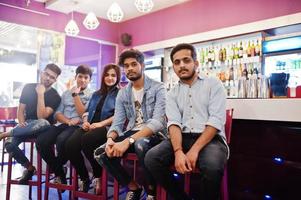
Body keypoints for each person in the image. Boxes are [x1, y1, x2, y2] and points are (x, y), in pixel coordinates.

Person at [145, 43, 228, 200]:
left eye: (186, 60)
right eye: (177, 62)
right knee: (151, 158)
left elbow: (216, 120)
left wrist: (194, 150)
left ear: (195, 63)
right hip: (182, 138)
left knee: (211, 167)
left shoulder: (214, 84)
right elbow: (174, 123)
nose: (181, 65)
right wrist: (178, 151)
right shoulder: (172, 93)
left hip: (210, 139)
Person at [97, 49, 166, 200]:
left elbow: (158, 122)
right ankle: (134, 187)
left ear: (142, 65)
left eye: (134, 64)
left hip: (154, 135)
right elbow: (118, 122)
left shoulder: (158, 87)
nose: (130, 68)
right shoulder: (123, 93)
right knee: (102, 152)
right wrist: (110, 139)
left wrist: (127, 141)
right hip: (132, 132)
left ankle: (152, 193)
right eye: (126, 66)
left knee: (141, 145)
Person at [1, 63, 61, 184]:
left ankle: (5, 133)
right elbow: (21, 110)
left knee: (43, 122)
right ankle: (29, 168)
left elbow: (41, 116)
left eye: (52, 77)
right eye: (47, 74)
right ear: (41, 73)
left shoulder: (56, 96)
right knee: (9, 144)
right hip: (27, 126)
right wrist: (22, 124)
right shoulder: (28, 87)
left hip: (43, 129)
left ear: (55, 80)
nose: (48, 78)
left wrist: (40, 94)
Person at [65, 64, 120, 194]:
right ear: (102, 76)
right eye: (107, 74)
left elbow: (119, 115)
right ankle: (84, 177)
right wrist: (85, 122)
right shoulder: (96, 94)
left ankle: (97, 176)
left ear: (117, 77)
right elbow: (86, 112)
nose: (110, 77)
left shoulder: (121, 93)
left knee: (87, 140)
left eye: (113, 75)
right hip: (90, 126)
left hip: (108, 127)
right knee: (70, 145)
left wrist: (101, 124)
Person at [35, 65, 93, 185]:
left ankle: (60, 173)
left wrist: (75, 95)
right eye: (80, 76)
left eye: (86, 77)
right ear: (75, 77)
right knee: (41, 141)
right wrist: (67, 121)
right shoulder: (66, 93)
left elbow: (84, 113)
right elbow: (57, 113)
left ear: (89, 80)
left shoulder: (92, 95)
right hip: (64, 124)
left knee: (62, 140)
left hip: (78, 127)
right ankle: (60, 171)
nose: (82, 80)